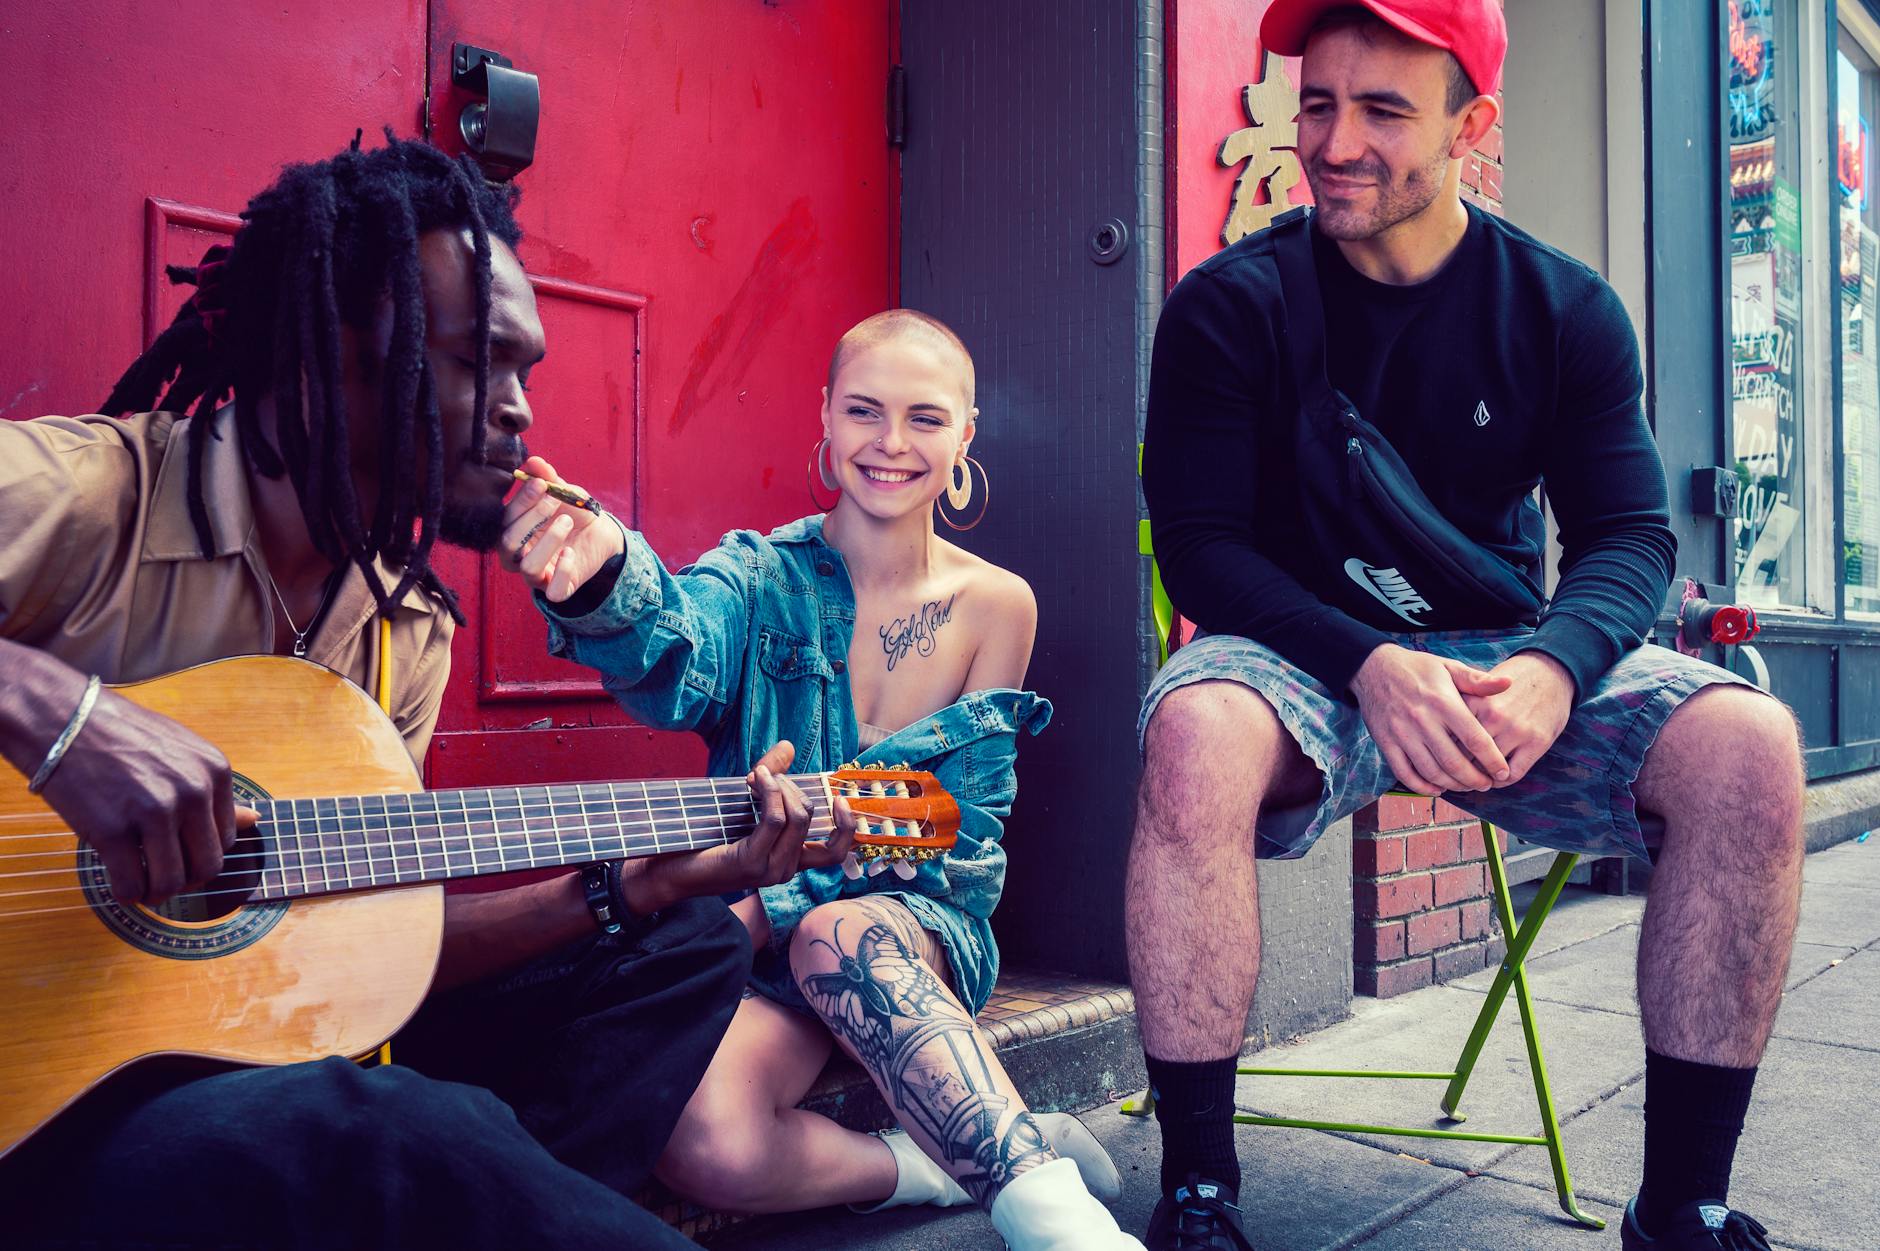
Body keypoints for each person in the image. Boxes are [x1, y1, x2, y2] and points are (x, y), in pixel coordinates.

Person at [0, 134, 853, 1250]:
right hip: (52, 1117)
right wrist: (56, 721)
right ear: (322, 361)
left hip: (253, 1064)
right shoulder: (86, 494)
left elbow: (366, 946)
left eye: (524, 373)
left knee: (684, 943)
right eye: (475, 361)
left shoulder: (403, 628)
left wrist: (625, 891)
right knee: (375, 1129)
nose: (517, 415)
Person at [1130, 4, 1800, 1250]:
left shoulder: (1560, 308)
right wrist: (1366, 663)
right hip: (1296, 657)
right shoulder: (1229, 306)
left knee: (1747, 748)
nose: (1334, 140)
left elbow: (1629, 537)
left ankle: (1679, 1208)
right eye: (1316, 102)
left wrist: (1554, 666)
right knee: (1191, 730)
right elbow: (1201, 553)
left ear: (1468, 127)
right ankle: (1198, 1197)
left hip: (1503, 658)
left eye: (1382, 111)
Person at [501, 309, 1141, 1250]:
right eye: (864, 411)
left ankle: (1063, 1227)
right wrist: (601, 579)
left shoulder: (998, 605)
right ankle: (952, 1158)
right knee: (706, 1144)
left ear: (966, 434)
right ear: (826, 419)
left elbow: (962, 838)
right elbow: (674, 652)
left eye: (925, 419)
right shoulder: (755, 575)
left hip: (913, 932)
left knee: (841, 925)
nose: (889, 444)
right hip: (760, 953)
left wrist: (786, 891)